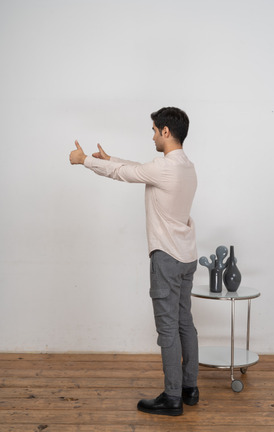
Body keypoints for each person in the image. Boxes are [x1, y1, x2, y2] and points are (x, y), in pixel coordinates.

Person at [69, 107, 199, 416]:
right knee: (185, 324)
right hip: (187, 257)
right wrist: (108, 158)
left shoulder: (165, 167)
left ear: (166, 131)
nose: (152, 134)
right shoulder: (186, 166)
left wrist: (84, 161)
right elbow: (139, 168)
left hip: (166, 258)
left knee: (167, 329)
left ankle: (171, 398)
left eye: (155, 130)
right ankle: (189, 388)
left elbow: (126, 174)